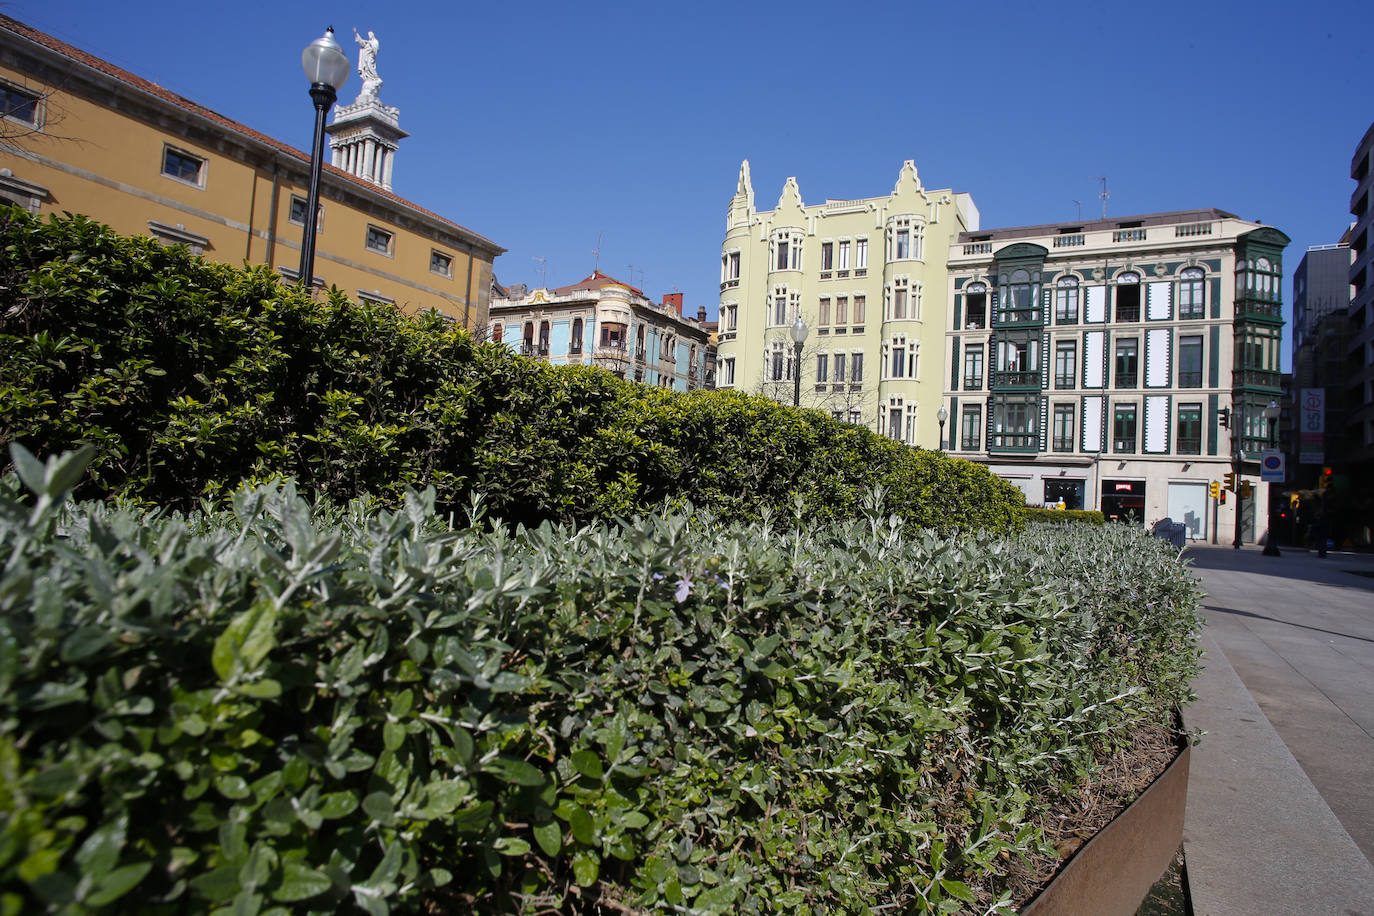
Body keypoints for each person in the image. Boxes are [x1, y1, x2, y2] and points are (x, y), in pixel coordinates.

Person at [354, 29, 382, 98]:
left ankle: (375, 77)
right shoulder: (367, 43)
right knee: (366, 68)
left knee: (370, 66)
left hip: (370, 56)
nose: (369, 36)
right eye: (369, 35)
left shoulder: (374, 42)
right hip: (365, 58)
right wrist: (357, 34)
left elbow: (376, 48)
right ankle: (371, 78)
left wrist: (370, 46)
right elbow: (361, 42)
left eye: (370, 35)